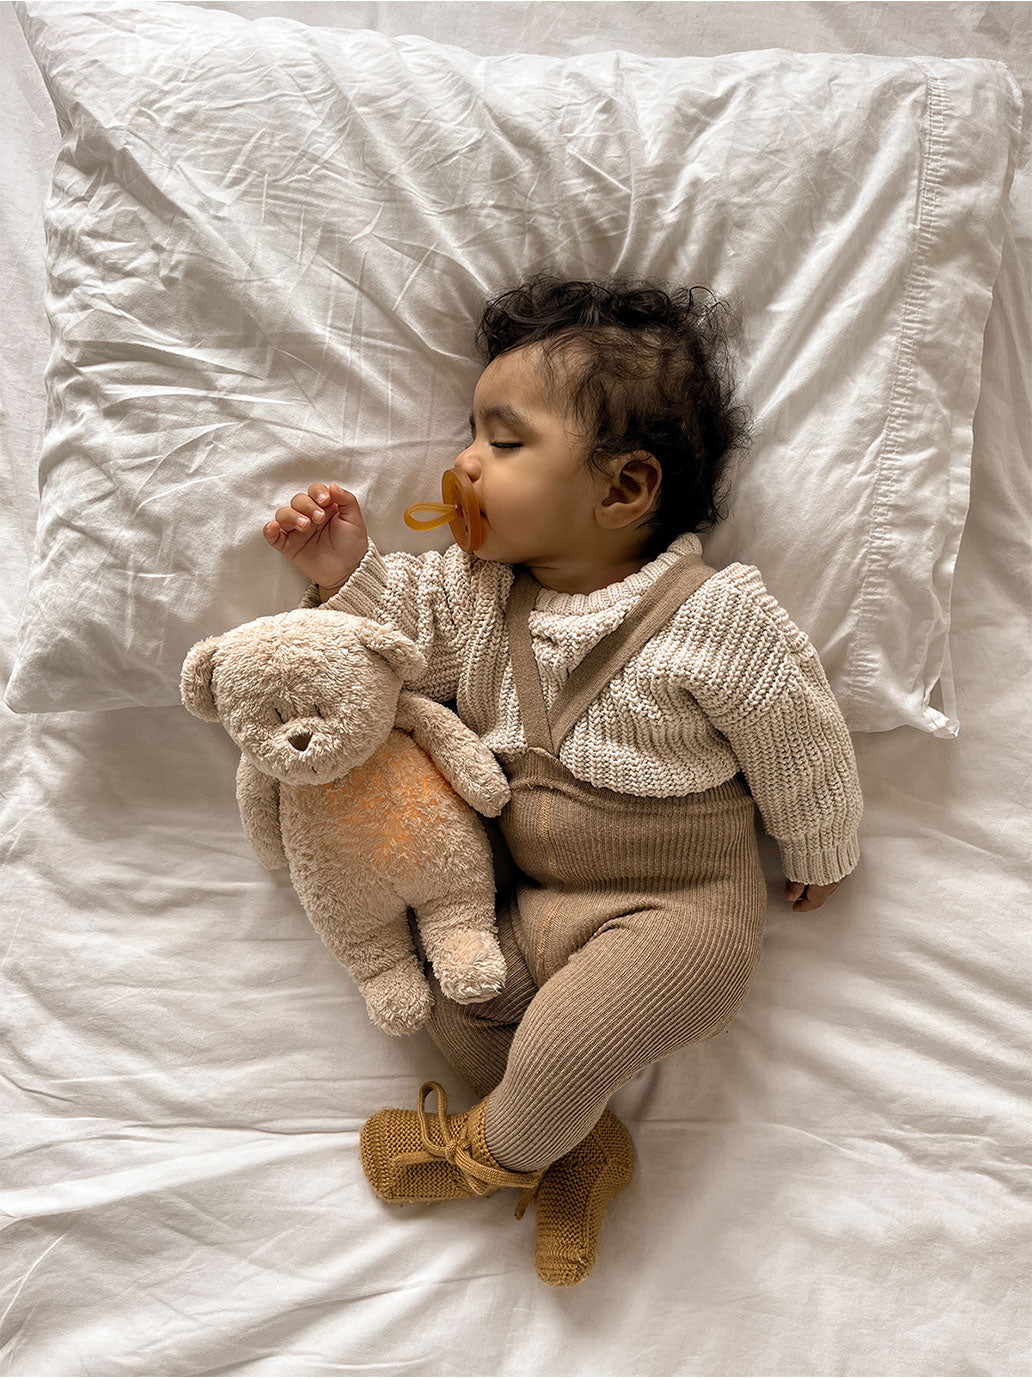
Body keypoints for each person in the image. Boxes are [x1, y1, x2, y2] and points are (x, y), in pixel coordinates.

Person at [261, 275, 864, 1287]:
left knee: (567, 1045)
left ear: (623, 489)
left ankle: (481, 1157)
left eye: (502, 442)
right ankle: (576, 1151)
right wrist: (345, 566)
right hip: (534, 902)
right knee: (461, 992)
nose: (462, 463)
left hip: (673, 912)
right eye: (470, 435)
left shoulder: (712, 616)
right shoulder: (475, 591)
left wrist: (818, 840)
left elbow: (797, 729)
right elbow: (398, 643)